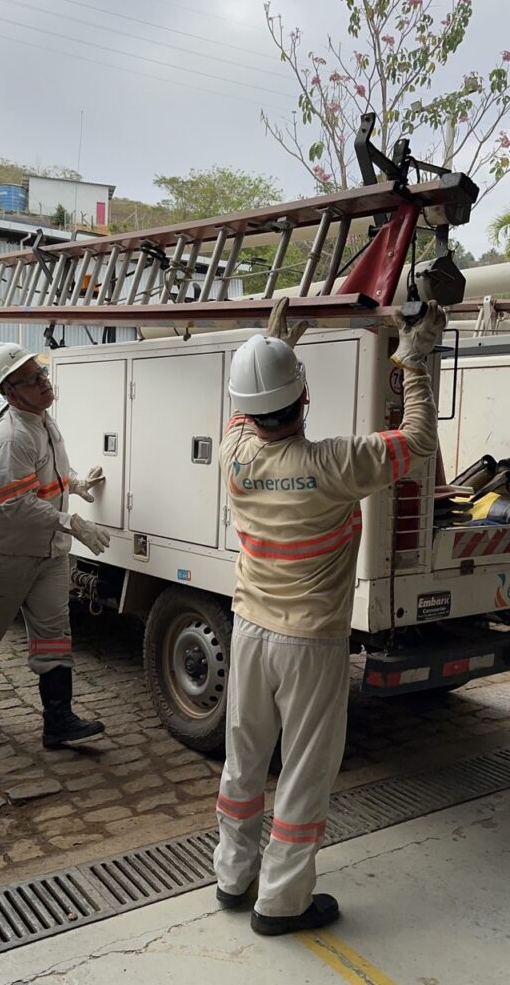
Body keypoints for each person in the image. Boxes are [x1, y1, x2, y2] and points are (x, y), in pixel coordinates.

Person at [214, 298, 445, 936]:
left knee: (244, 761)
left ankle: (234, 879)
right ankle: (283, 904)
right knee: (305, 771)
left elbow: (244, 410)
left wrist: (269, 342)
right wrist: (415, 361)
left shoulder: (237, 455)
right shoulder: (336, 464)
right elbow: (420, 443)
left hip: (250, 631)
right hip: (309, 643)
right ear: (305, 396)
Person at [0, 342, 112, 749]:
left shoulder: (43, 421)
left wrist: (75, 483)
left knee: (55, 632)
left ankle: (58, 721)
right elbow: (17, 504)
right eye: (32, 379)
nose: (43, 382)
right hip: (1, 554)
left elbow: (48, 470)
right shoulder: (9, 437)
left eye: (42, 373)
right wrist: (71, 522)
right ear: (11, 391)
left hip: (47, 552)